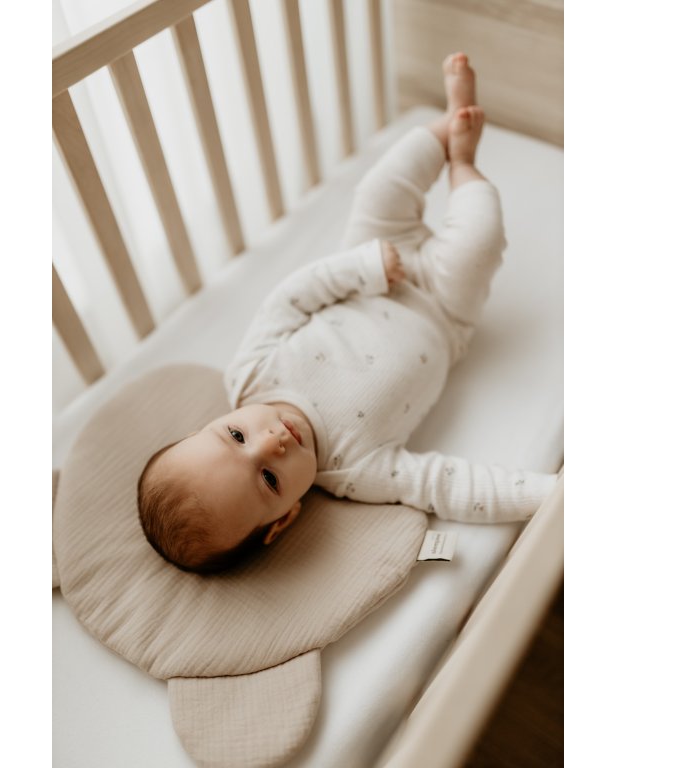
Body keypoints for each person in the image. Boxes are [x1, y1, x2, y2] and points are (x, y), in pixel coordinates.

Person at [137, 53, 558, 573]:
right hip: (444, 305)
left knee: (381, 189)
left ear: (211, 424)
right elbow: (446, 485)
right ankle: (465, 165)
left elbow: (293, 297)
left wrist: (363, 267)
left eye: (237, 436)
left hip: (372, 258)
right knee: (480, 238)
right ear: (284, 518)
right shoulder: (356, 471)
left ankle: (447, 127)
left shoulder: (250, 374)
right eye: (268, 479)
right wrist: (549, 496)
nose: (273, 442)